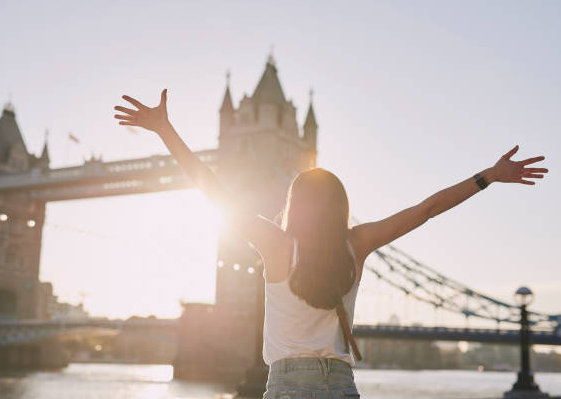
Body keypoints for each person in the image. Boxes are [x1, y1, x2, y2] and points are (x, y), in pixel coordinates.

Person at [114, 89, 548, 398]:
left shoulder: (275, 244)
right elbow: (427, 208)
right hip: (342, 386)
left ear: (294, 205)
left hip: (286, 385)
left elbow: (212, 189)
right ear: (341, 206)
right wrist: (487, 176)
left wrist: (165, 130)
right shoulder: (358, 243)